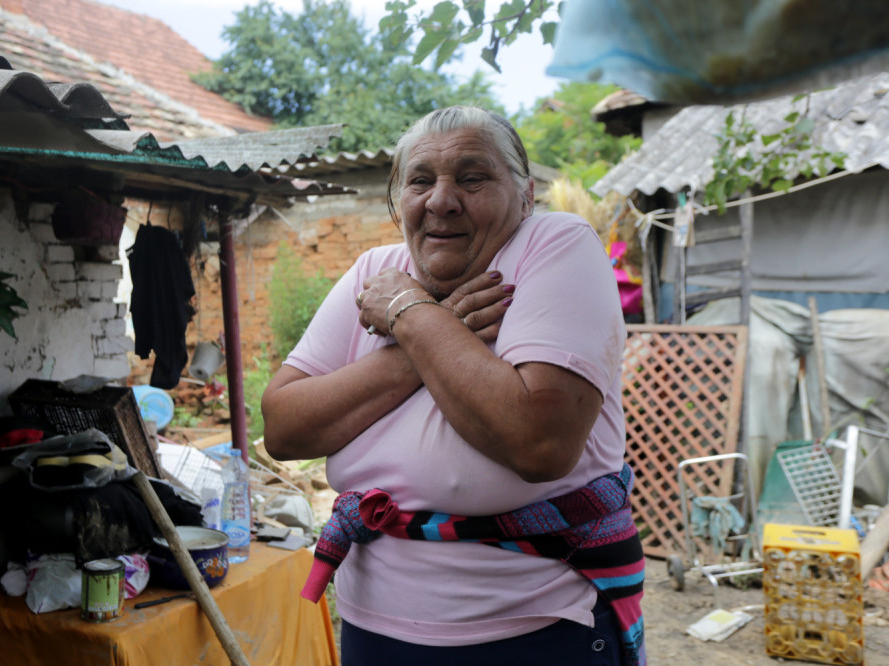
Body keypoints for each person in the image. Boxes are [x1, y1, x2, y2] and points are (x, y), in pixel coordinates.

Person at [261, 106, 644, 666]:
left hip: (536, 630)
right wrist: (427, 334)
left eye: (473, 177)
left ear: (526, 195)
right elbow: (284, 428)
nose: (441, 200)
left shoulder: (554, 245)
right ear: (399, 203)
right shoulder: (378, 271)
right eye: (420, 180)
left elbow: (538, 442)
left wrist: (411, 315)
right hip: (374, 629)